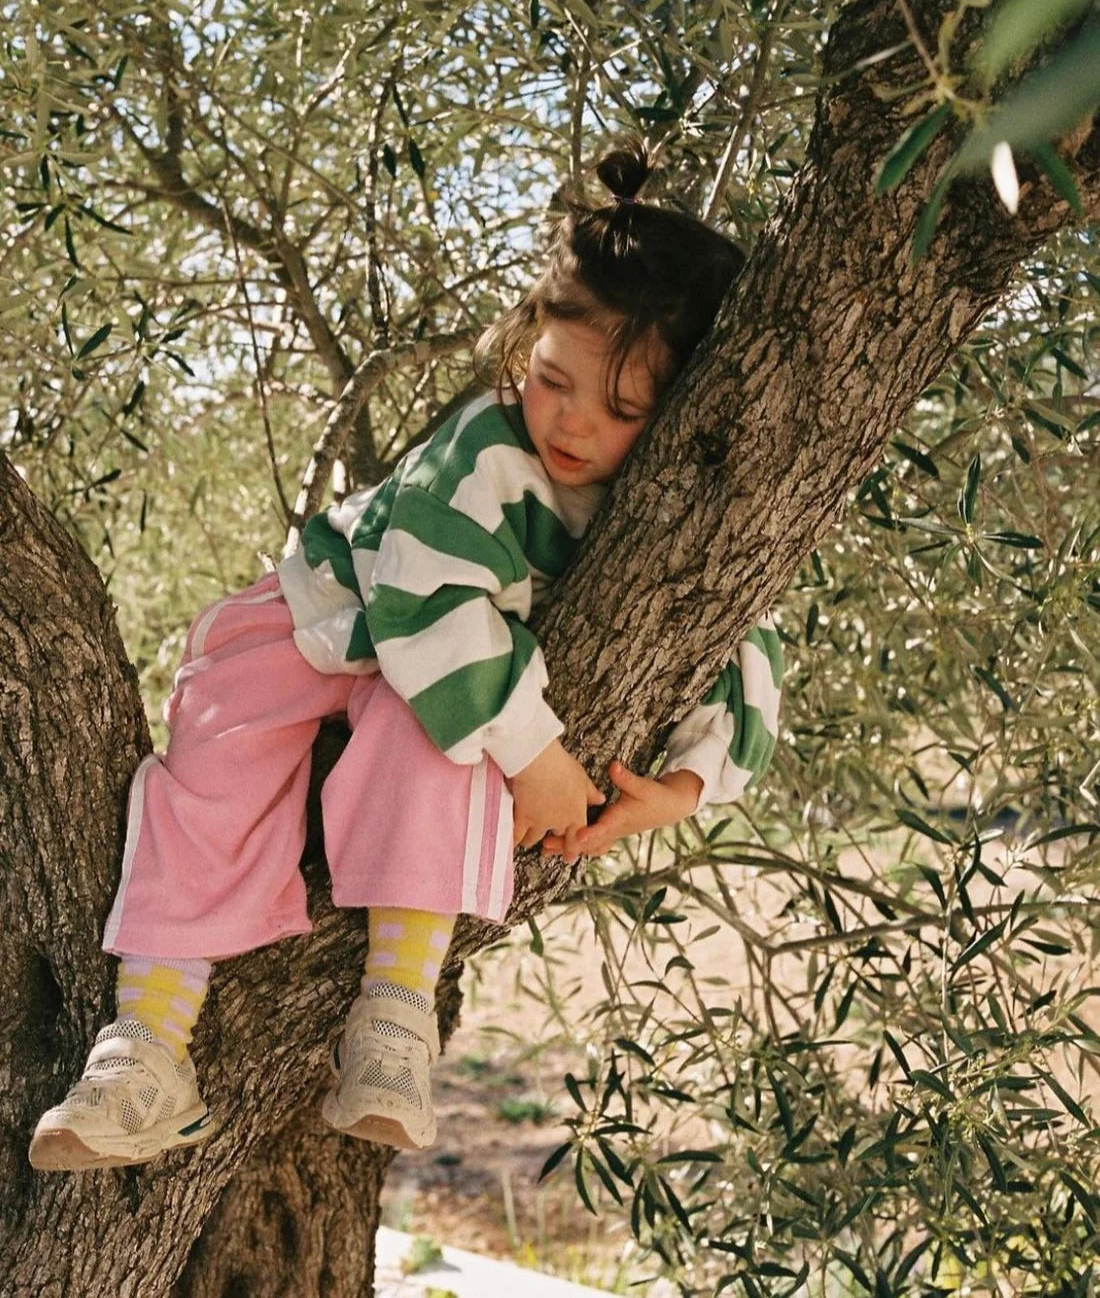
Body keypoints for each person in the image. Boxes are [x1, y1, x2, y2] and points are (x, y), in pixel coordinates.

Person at [28, 141, 783, 1170]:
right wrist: (538, 757)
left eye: (619, 410)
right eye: (552, 380)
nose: (570, 421)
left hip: (421, 674)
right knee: (211, 767)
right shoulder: (482, 445)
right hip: (316, 624)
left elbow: (738, 635)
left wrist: (690, 784)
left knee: (439, 734)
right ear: (522, 347)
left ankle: (391, 1017)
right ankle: (148, 1049)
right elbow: (425, 609)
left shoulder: (667, 502)